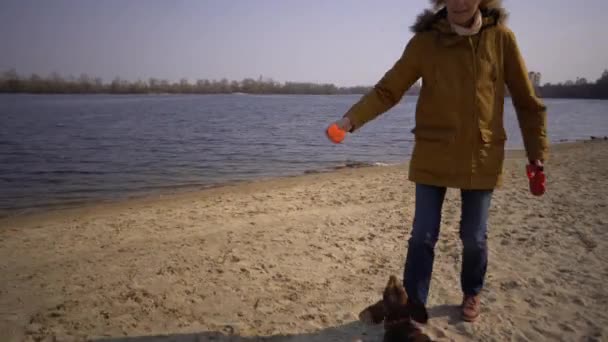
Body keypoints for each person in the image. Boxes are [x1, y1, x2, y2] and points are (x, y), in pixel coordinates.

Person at [327, 0, 548, 323]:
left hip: (481, 154)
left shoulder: (501, 39)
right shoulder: (425, 42)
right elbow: (389, 90)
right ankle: (414, 303)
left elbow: (527, 102)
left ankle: (472, 291)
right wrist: (350, 120)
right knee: (422, 235)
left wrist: (536, 154)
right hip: (434, 150)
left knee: (474, 237)